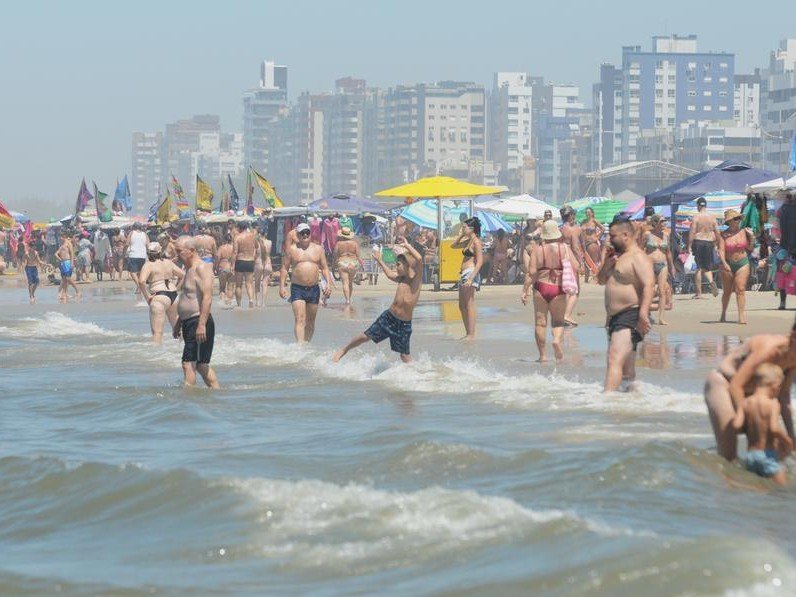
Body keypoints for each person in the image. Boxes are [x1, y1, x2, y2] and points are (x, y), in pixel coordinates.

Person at [704, 317, 796, 461]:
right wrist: (751, 420)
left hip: (751, 392)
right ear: (794, 336)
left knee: (775, 450)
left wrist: (792, 436)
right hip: (723, 383)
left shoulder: (793, 359)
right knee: (729, 457)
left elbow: (784, 396)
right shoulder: (770, 349)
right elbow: (736, 385)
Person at [334, 239, 423, 363]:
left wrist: (408, 246)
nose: (395, 267)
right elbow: (388, 274)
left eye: (398, 264)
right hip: (389, 317)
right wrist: (379, 260)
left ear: (407, 265)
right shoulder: (400, 278)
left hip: (403, 324)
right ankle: (344, 350)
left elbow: (419, 259)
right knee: (365, 336)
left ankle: (415, 374)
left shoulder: (415, 280)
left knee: (404, 355)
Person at [597, 216, 654, 392]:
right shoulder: (618, 257)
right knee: (627, 369)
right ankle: (630, 400)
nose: (609, 240)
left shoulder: (638, 257)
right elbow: (600, 280)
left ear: (626, 235)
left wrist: (644, 314)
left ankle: (607, 398)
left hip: (631, 316)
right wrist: (606, 265)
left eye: (613, 236)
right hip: (616, 318)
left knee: (614, 358)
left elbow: (649, 284)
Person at [521, 220, 575, 362]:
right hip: (558, 288)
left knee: (540, 323)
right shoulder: (564, 248)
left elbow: (531, 272)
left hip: (541, 288)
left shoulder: (537, 250)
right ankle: (556, 340)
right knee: (558, 322)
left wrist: (524, 290)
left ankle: (543, 356)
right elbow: (576, 267)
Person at [172, 236, 219, 389]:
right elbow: (188, 297)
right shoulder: (188, 269)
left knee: (188, 363)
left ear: (191, 251)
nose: (176, 255)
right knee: (201, 365)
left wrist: (201, 325)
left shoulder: (201, 268)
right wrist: (178, 322)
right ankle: (216, 392)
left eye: (179, 252)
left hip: (198, 321)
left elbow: (207, 298)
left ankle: (188, 399)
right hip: (189, 322)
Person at [732, 363, 791, 485]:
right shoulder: (773, 403)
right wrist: (787, 441)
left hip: (750, 456)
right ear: (774, 385)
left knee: (760, 490)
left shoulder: (745, 403)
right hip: (767, 455)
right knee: (784, 492)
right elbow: (774, 428)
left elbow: (736, 426)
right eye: (780, 386)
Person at [279, 222, 333, 343]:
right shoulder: (292, 250)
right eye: (302, 233)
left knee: (311, 321)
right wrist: (282, 286)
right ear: (298, 235)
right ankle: (300, 345)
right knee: (300, 318)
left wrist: (328, 284)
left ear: (310, 233)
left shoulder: (318, 249)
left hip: (314, 289)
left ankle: (306, 344)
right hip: (297, 288)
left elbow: (324, 268)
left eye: (307, 232)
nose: (305, 235)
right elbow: (284, 268)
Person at [137, 242, 185, 344]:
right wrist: (176, 288)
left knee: (157, 333)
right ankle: (184, 350)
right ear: (160, 252)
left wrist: (148, 297)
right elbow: (183, 275)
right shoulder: (168, 262)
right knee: (178, 331)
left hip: (159, 296)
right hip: (173, 295)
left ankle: (156, 356)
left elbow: (141, 281)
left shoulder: (148, 265)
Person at [718, 209, 754, 324]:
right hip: (728, 263)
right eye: (736, 219)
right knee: (727, 292)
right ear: (729, 221)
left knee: (740, 289)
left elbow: (750, 248)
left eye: (739, 218)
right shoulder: (723, 234)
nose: (738, 220)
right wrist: (724, 263)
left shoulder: (744, 232)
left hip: (742, 263)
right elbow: (721, 251)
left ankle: (741, 316)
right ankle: (723, 313)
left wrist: (752, 238)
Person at [451, 217, 483, 340]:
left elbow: (480, 261)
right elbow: (453, 246)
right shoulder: (468, 240)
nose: (462, 229)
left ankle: (471, 334)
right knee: (461, 305)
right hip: (464, 273)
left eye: (464, 227)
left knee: (469, 304)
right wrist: (461, 235)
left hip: (470, 272)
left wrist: (471, 278)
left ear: (472, 228)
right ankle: (467, 332)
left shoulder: (476, 242)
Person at [643, 214, 675, 326]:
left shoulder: (666, 235)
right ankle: (645, 313)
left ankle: (661, 318)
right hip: (649, 265)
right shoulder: (647, 235)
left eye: (665, 221)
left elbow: (668, 252)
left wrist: (672, 267)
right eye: (662, 221)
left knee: (662, 291)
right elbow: (640, 250)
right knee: (649, 290)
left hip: (663, 265)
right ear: (655, 223)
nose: (664, 223)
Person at [687, 197, 720, 299]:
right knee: (707, 267)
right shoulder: (712, 217)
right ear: (705, 205)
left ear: (698, 206)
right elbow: (717, 232)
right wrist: (716, 244)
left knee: (698, 267)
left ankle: (699, 293)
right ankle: (711, 282)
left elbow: (692, 232)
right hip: (709, 242)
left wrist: (689, 245)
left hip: (698, 241)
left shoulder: (696, 217)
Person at [560, 206, 584, 326]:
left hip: (561, 257)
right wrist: (581, 263)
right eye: (573, 214)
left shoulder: (560, 229)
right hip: (571, 257)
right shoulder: (575, 229)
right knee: (575, 290)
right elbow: (576, 247)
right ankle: (567, 315)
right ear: (570, 216)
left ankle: (562, 314)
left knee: (565, 288)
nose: (574, 216)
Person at [775, 192, 796, 310]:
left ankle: (782, 302)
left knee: (783, 273)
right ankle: (782, 302)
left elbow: (780, 228)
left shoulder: (783, 209)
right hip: (789, 246)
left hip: (785, 246)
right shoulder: (785, 209)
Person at [333, 226, 362, 305]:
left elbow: (335, 255)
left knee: (345, 283)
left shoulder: (338, 243)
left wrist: (334, 265)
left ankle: (347, 300)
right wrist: (361, 266)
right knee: (350, 282)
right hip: (353, 263)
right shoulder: (354, 243)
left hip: (342, 262)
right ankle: (349, 299)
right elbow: (358, 256)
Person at [232, 221, 257, 308]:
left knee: (238, 285)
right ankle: (251, 300)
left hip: (240, 261)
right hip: (250, 261)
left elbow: (235, 252)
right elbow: (256, 248)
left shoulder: (237, 237)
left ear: (239, 228)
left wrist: (232, 264)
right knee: (249, 283)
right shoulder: (252, 236)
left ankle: (239, 304)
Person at [580, 207, 604, 282]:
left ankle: (596, 279)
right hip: (584, 244)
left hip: (592, 243)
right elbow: (580, 231)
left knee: (594, 262)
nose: (588, 213)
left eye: (589, 212)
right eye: (586, 212)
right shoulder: (583, 222)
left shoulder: (594, 221)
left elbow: (602, 228)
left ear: (592, 213)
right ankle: (586, 280)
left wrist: (597, 237)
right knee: (586, 263)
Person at [55, 234, 80, 302]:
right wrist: (59, 259)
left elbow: (72, 253)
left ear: (64, 237)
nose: (60, 238)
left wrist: (72, 263)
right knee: (64, 279)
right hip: (63, 262)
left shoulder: (68, 243)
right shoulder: (62, 244)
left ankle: (77, 290)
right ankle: (65, 293)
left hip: (67, 262)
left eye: (61, 237)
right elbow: (56, 253)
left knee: (68, 278)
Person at [253, 226, 273, 308]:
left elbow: (254, 255)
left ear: (259, 234)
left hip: (258, 263)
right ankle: (263, 303)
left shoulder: (256, 243)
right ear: (266, 233)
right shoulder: (270, 242)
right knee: (265, 284)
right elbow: (269, 253)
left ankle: (257, 302)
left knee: (257, 283)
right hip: (268, 263)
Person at [125, 222, 148, 293]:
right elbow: (148, 244)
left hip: (133, 254)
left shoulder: (132, 233)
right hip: (143, 255)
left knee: (132, 272)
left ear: (134, 227)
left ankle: (139, 286)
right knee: (140, 272)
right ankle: (140, 287)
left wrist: (125, 251)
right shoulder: (145, 234)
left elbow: (127, 243)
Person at [216, 234, 234, 305]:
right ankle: (229, 303)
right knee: (230, 288)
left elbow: (217, 258)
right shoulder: (233, 248)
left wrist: (216, 267)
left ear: (224, 240)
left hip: (222, 268)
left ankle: (222, 304)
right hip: (231, 269)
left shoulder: (221, 247)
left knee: (222, 288)